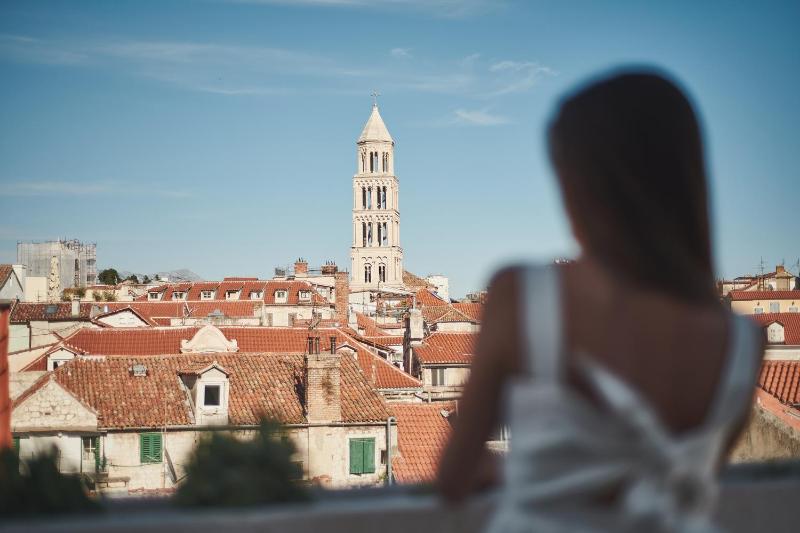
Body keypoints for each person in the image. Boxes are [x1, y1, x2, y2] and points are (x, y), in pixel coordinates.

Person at [436, 70, 765, 532]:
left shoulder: (525, 296)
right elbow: (681, 482)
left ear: (580, 184)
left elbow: (455, 477)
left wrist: (535, 475)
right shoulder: (743, 343)